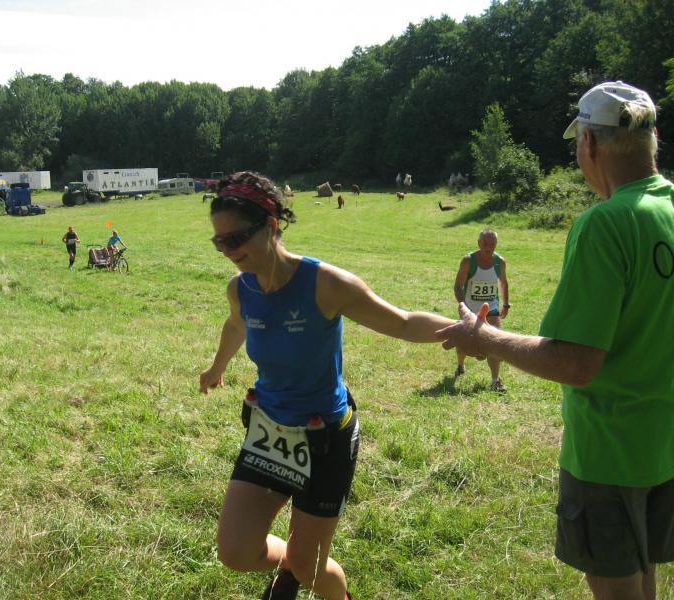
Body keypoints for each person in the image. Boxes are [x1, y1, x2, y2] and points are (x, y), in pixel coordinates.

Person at [437, 81, 674, 599]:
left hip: (609, 452)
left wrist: (487, 338)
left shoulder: (606, 224)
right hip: (664, 446)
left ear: (588, 143)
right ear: (652, 138)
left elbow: (575, 363)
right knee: (645, 576)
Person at [200, 171, 454, 600]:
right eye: (219, 242)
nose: (227, 250)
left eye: (236, 238)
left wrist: (469, 333)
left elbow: (404, 322)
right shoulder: (240, 289)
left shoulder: (325, 284)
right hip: (269, 431)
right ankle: (290, 563)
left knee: (310, 566)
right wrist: (216, 367)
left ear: (271, 225)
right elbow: (236, 325)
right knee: (236, 551)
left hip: (325, 437)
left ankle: (308, 573)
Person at [452, 228, 510, 392]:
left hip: (491, 309)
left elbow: (504, 283)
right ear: (479, 243)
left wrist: (506, 305)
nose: (489, 247)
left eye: (492, 244)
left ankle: (495, 380)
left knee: (495, 342)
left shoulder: (500, 262)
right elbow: (457, 286)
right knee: (463, 344)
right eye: (485, 243)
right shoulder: (468, 261)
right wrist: (463, 306)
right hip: (470, 309)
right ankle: (460, 365)